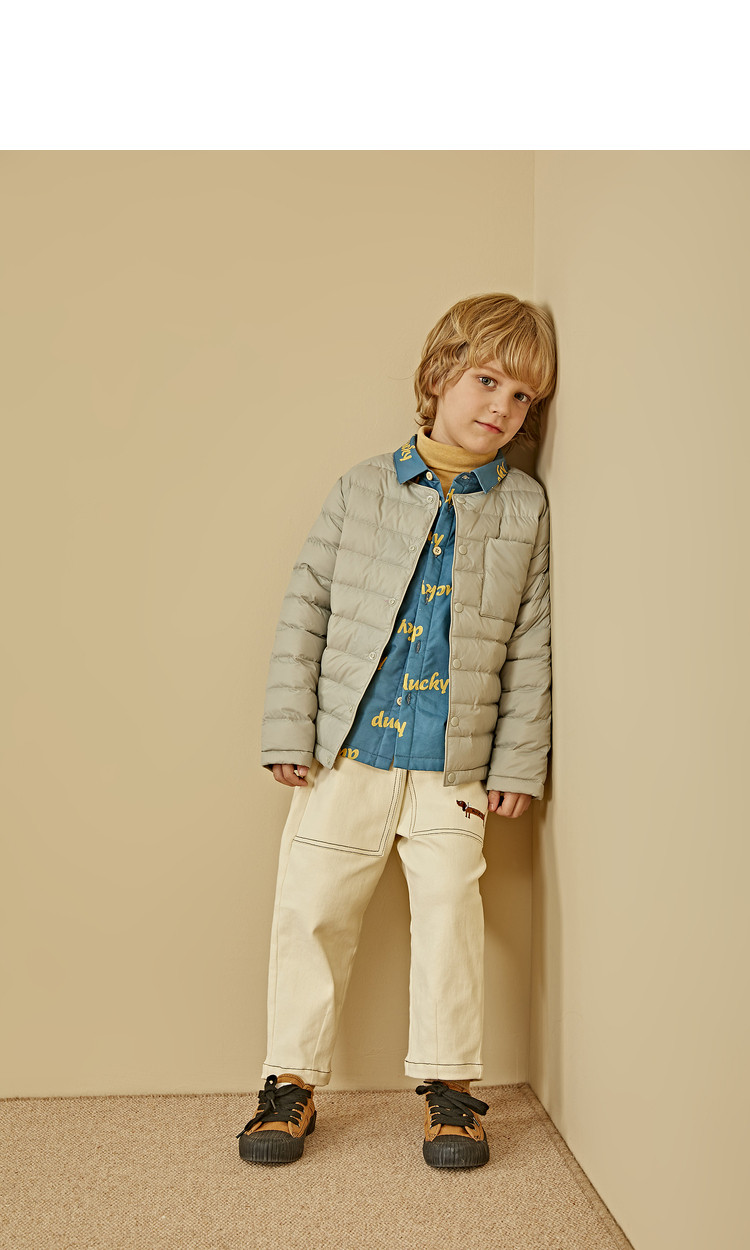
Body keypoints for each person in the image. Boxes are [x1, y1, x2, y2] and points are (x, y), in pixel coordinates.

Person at [236, 292, 556, 1169]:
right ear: (440, 374)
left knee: (451, 914)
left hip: (455, 764)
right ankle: (288, 1084)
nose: (502, 407)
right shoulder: (363, 488)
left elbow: (532, 643)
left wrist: (517, 761)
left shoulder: (525, 508)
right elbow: (306, 607)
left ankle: (451, 1091)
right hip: (348, 752)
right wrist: (288, 732)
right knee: (311, 909)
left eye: (522, 397)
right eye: (487, 381)